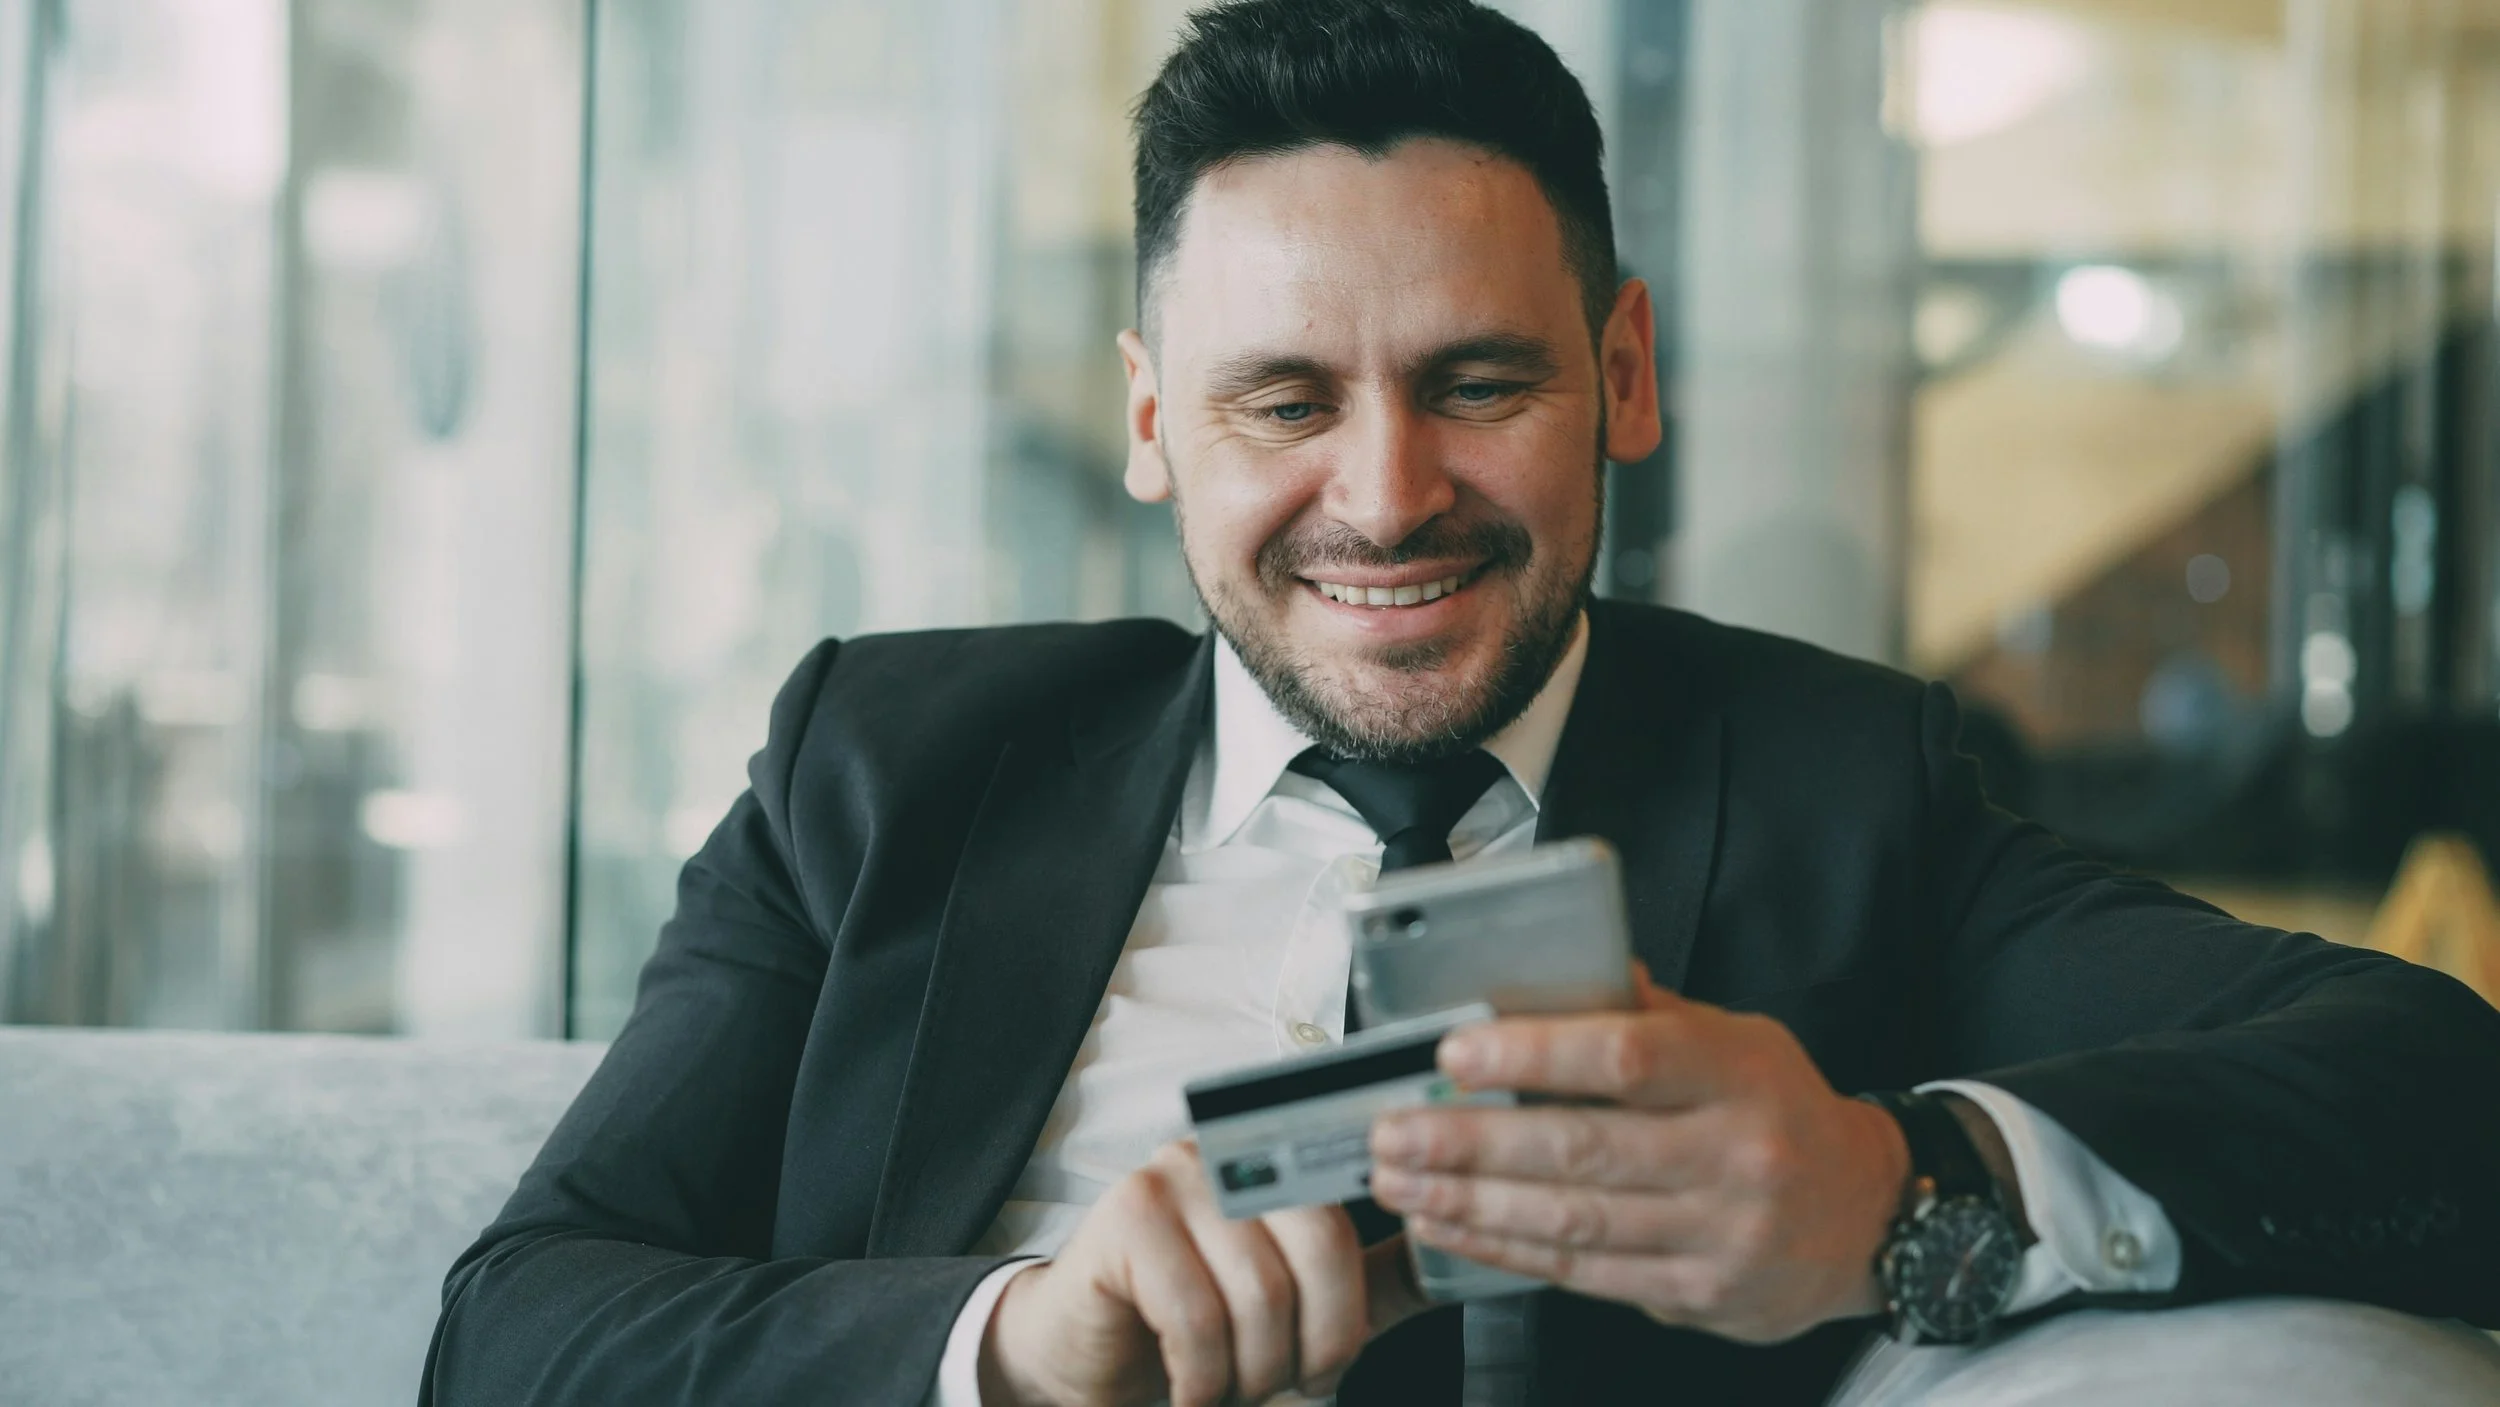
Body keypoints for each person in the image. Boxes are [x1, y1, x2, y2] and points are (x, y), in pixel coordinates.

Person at [421, 2, 2500, 1403]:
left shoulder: (1838, 783)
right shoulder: (881, 765)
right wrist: (1007, 1342)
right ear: (1154, 425)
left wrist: (1895, 1191)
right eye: (1284, 400)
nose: (1388, 494)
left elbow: (2434, 1095)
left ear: (1620, 378)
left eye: (1477, 382)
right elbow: (520, 1322)